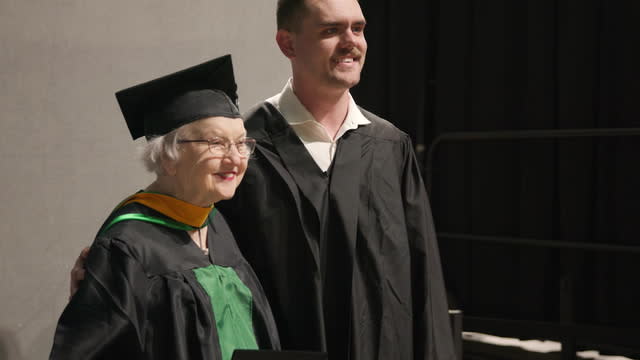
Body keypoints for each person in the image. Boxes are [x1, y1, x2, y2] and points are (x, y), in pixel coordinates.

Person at [70, 1, 456, 359]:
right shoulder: (247, 148)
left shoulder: (390, 146)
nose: (351, 41)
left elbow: (423, 280)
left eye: (359, 28)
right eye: (331, 30)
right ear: (287, 43)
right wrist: (112, 281)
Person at [53, 55, 280, 360]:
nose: (236, 159)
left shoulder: (215, 224)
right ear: (169, 155)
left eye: (241, 144)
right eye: (217, 143)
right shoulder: (126, 247)